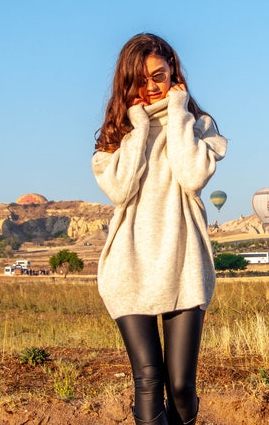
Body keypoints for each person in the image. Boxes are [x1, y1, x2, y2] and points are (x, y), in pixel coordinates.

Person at [92, 33, 227, 425]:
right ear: (126, 83)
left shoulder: (197, 125)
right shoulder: (117, 136)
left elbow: (191, 175)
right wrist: (137, 128)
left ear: (174, 75)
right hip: (129, 266)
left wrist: (179, 114)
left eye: (159, 76)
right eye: (140, 79)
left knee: (181, 385)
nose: (150, 87)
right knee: (148, 379)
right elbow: (120, 188)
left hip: (183, 264)